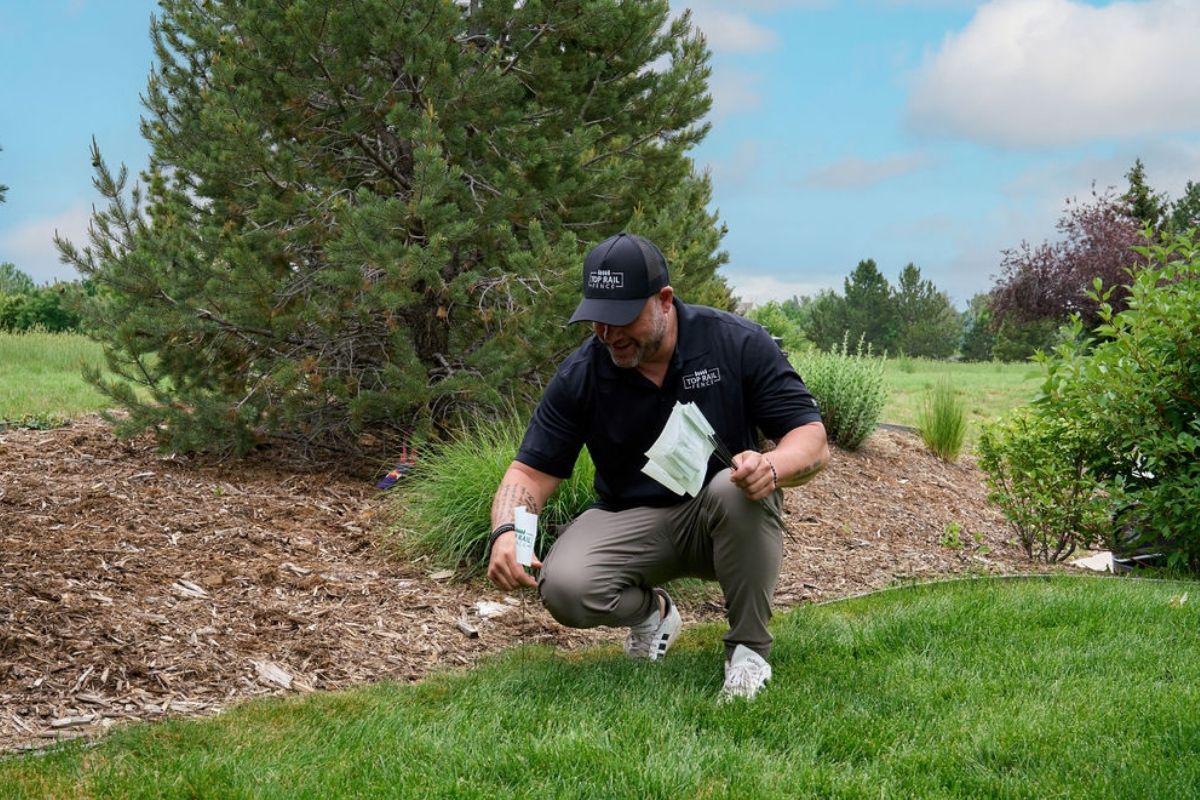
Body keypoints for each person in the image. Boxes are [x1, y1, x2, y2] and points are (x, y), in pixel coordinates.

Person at [485, 232, 829, 701]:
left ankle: (748, 653)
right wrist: (508, 532)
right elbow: (528, 473)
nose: (609, 334)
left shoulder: (735, 342)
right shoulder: (582, 373)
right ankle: (654, 616)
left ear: (664, 300)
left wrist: (769, 465)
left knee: (735, 488)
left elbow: (811, 438)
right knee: (565, 586)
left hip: (720, 515)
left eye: (622, 318)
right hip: (629, 518)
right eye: (598, 320)